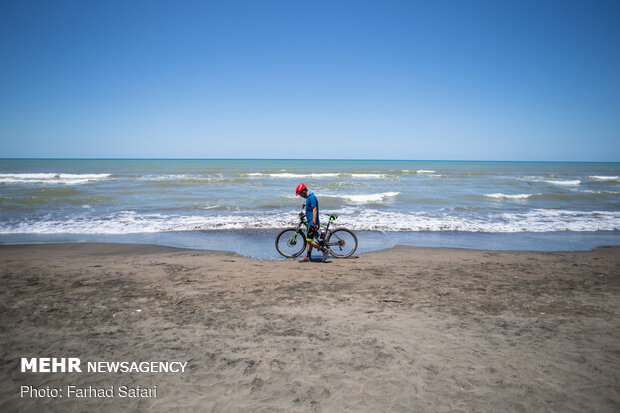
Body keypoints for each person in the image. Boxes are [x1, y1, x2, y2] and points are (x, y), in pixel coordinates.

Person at [295, 183, 328, 262]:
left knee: (309, 240)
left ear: (303, 191)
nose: (300, 195)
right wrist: (305, 214)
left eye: (300, 194)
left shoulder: (312, 197)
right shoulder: (309, 197)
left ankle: (324, 250)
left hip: (312, 222)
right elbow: (310, 210)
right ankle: (308, 257)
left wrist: (314, 221)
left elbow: (314, 209)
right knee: (310, 239)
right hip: (310, 221)